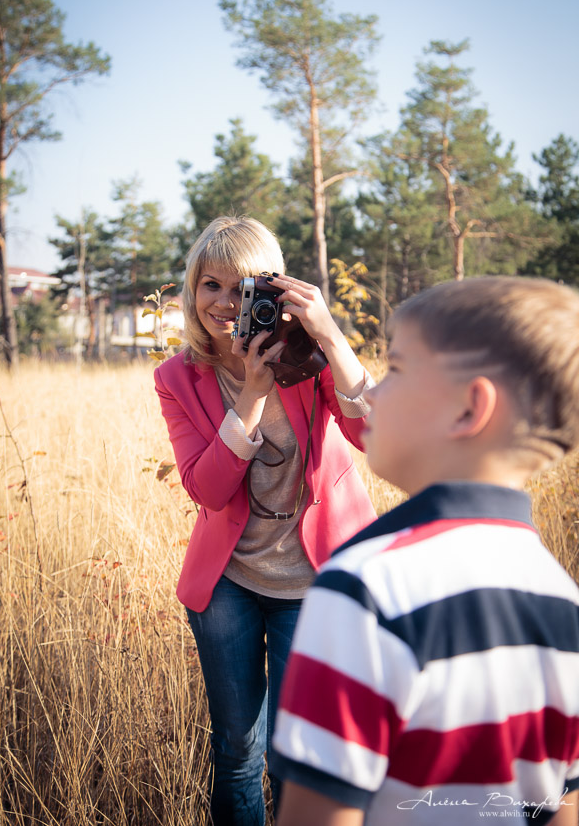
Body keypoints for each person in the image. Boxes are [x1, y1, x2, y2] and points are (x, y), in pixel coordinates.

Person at [272, 275, 579, 826]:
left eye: (397, 370)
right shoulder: (565, 603)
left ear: (468, 409)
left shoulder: (364, 587)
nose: (375, 393)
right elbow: (562, 808)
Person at [154, 215, 376, 825]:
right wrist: (250, 394)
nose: (226, 304)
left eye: (243, 288)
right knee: (236, 748)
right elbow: (207, 487)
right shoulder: (178, 377)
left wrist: (330, 335)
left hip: (313, 577)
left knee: (292, 754)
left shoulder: (307, 355)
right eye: (211, 285)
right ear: (192, 290)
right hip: (229, 581)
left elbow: (373, 435)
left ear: (273, 291)